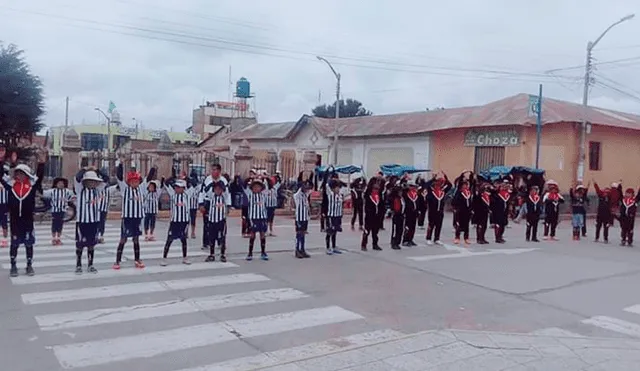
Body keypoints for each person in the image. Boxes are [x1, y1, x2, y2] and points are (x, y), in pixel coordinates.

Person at [1, 149, 46, 277]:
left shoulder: (31, 187)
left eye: (22, 174)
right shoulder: (10, 186)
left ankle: (29, 265)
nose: (19, 176)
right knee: (14, 244)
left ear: (26, 175)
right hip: (15, 221)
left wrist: (42, 163)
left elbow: (39, 177)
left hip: (28, 221)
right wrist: (1, 160)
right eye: (17, 173)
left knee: (28, 244)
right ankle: (13, 266)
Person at [113, 162, 155, 269]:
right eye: (132, 181)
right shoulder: (125, 189)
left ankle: (137, 259)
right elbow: (119, 177)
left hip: (137, 218)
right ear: (129, 182)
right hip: (127, 218)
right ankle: (117, 261)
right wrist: (121, 164)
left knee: (136, 239)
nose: (135, 183)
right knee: (123, 239)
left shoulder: (141, 189)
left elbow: (148, 178)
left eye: (136, 181)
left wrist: (154, 167)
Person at [74, 168, 109, 273]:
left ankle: (90, 264)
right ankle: (78, 264)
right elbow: (77, 178)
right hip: (82, 222)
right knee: (80, 244)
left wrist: (97, 170)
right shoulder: (80, 190)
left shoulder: (98, 191)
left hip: (94, 221)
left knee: (91, 244)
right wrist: (85, 169)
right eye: (89, 181)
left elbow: (106, 179)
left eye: (93, 181)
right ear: (85, 182)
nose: (91, 183)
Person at [160, 178, 191, 266]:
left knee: (183, 240)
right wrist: (172, 177)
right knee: (169, 240)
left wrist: (187, 179)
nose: (177, 189)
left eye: (179, 187)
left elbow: (195, 186)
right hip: (174, 221)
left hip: (184, 221)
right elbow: (166, 183)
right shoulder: (172, 194)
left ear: (183, 188)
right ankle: (164, 258)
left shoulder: (187, 195)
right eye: (176, 187)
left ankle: (185, 257)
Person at [242, 175, 269, 261]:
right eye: (255, 187)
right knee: (252, 235)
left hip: (262, 218)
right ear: (252, 188)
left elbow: (270, 186)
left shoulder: (263, 195)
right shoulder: (250, 195)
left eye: (258, 187)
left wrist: (266, 177)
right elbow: (244, 185)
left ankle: (263, 252)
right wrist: (250, 177)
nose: (257, 188)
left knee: (262, 234)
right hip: (253, 218)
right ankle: (250, 253)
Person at [201, 180, 228, 262]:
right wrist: (212, 184)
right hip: (212, 220)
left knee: (222, 238)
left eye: (219, 189)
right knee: (211, 238)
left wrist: (221, 184)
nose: (218, 191)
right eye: (216, 189)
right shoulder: (211, 196)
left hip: (221, 221)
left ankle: (222, 254)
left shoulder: (224, 197)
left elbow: (227, 190)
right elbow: (205, 190)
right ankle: (211, 254)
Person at [42, 177, 74, 245]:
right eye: (59, 183)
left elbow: (72, 196)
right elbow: (43, 194)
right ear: (56, 184)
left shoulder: (67, 191)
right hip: (54, 211)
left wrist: (71, 199)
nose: (61, 185)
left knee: (60, 224)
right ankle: (54, 238)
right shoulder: (52, 191)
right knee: (54, 224)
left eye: (62, 183)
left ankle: (58, 238)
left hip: (62, 210)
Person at [425, 171, 452, 245]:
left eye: (440, 184)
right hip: (432, 211)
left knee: (439, 225)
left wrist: (445, 177)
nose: (439, 185)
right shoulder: (431, 192)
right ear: (434, 185)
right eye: (437, 184)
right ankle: (428, 238)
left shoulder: (442, 192)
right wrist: (433, 178)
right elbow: (426, 185)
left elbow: (449, 185)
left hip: (440, 212)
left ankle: (437, 238)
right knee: (431, 225)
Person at [322, 167, 344, 255]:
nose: (338, 189)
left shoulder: (340, 196)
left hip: (337, 216)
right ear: (333, 188)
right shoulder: (330, 195)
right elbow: (325, 184)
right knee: (329, 231)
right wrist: (328, 172)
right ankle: (327, 247)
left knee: (335, 232)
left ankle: (334, 246)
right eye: (336, 188)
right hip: (331, 215)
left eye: (339, 188)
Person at [361, 178, 384, 251]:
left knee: (375, 232)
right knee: (367, 231)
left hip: (377, 217)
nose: (376, 188)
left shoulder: (379, 195)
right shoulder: (368, 195)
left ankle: (375, 244)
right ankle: (364, 245)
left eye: (377, 187)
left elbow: (381, 206)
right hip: (369, 216)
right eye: (375, 187)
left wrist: (380, 214)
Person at [293, 172, 312, 258]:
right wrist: (301, 178)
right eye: (305, 187)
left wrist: (310, 178)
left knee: (303, 233)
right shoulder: (297, 195)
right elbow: (300, 186)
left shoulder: (305, 195)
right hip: (299, 218)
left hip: (305, 217)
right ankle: (297, 250)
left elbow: (311, 187)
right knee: (299, 233)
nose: (306, 189)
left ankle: (302, 249)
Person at [452, 171, 474, 245]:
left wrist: (471, 175)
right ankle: (457, 237)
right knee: (458, 224)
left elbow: (472, 183)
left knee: (466, 225)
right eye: (464, 185)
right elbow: (459, 183)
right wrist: (462, 174)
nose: (465, 186)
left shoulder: (468, 192)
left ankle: (466, 238)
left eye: (466, 185)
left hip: (467, 211)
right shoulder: (459, 192)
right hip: (460, 210)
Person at [402, 180, 420, 247]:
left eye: (413, 186)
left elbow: (418, 202)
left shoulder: (415, 194)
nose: (412, 187)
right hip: (408, 212)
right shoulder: (406, 193)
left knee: (413, 227)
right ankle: (405, 240)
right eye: (411, 186)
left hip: (414, 212)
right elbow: (403, 189)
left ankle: (410, 239)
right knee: (407, 227)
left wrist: (418, 211)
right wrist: (406, 186)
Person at [389, 184, 404, 250]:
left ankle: (398, 242)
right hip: (396, 216)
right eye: (400, 192)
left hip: (401, 215)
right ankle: (394, 243)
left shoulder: (401, 198)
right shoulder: (395, 199)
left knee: (400, 230)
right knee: (395, 230)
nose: (401, 193)